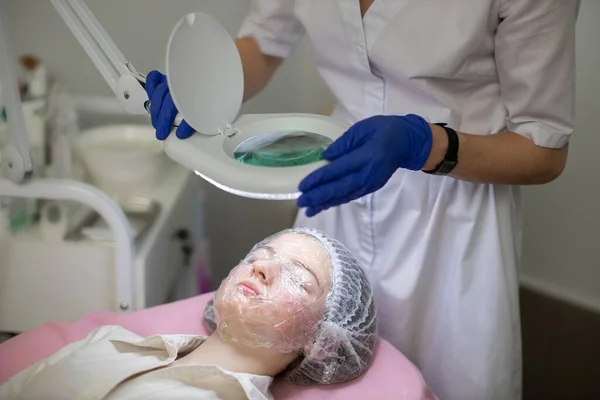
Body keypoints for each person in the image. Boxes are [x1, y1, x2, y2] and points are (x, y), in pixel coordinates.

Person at [144, 1, 580, 398]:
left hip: (453, 208)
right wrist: (199, 85)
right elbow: (263, 43)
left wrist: (420, 144)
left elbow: (543, 150)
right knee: (313, 371)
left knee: (451, 379)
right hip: (337, 183)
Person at [0, 228, 376, 400]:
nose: (261, 269)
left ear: (321, 341)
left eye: (298, 279)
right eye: (260, 256)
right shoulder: (109, 341)